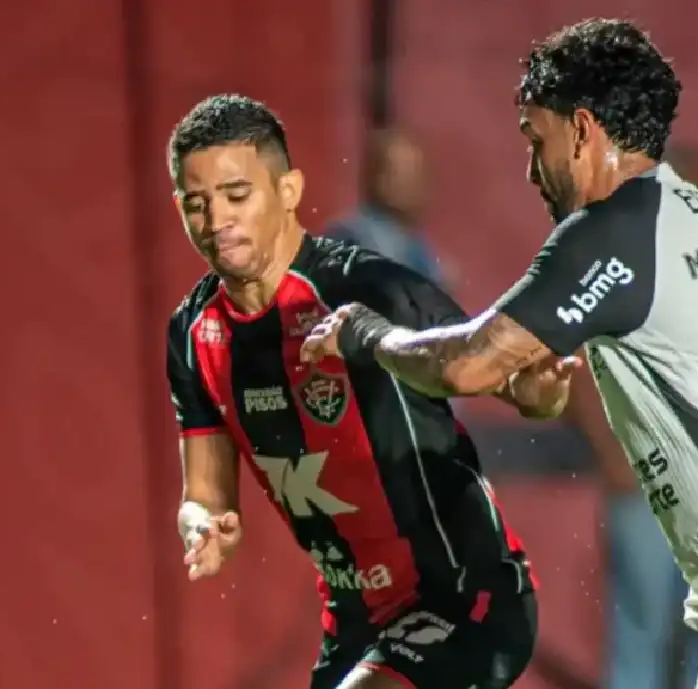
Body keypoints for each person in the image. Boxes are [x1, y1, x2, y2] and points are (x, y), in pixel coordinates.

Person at [301, 19, 698, 689]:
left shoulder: (609, 232)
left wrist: (366, 334)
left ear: (581, 129)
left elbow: (469, 362)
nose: (531, 169)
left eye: (535, 139)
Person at [164, 94, 560, 689]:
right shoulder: (193, 334)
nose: (217, 218)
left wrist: (540, 388)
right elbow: (205, 494)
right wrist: (203, 525)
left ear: (289, 190)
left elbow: (522, 389)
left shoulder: (370, 287)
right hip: (353, 628)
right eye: (197, 203)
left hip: (464, 594)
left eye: (236, 195)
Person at [565, 143, 698, 689]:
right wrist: (612, 456)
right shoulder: (611, 270)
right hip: (645, 482)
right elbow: (576, 365)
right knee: (640, 631)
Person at [327, 128, 448, 285]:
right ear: (379, 180)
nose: (415, 185)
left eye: (417, 173)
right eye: (404, 175)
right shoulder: (355, 238)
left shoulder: (416, 245)